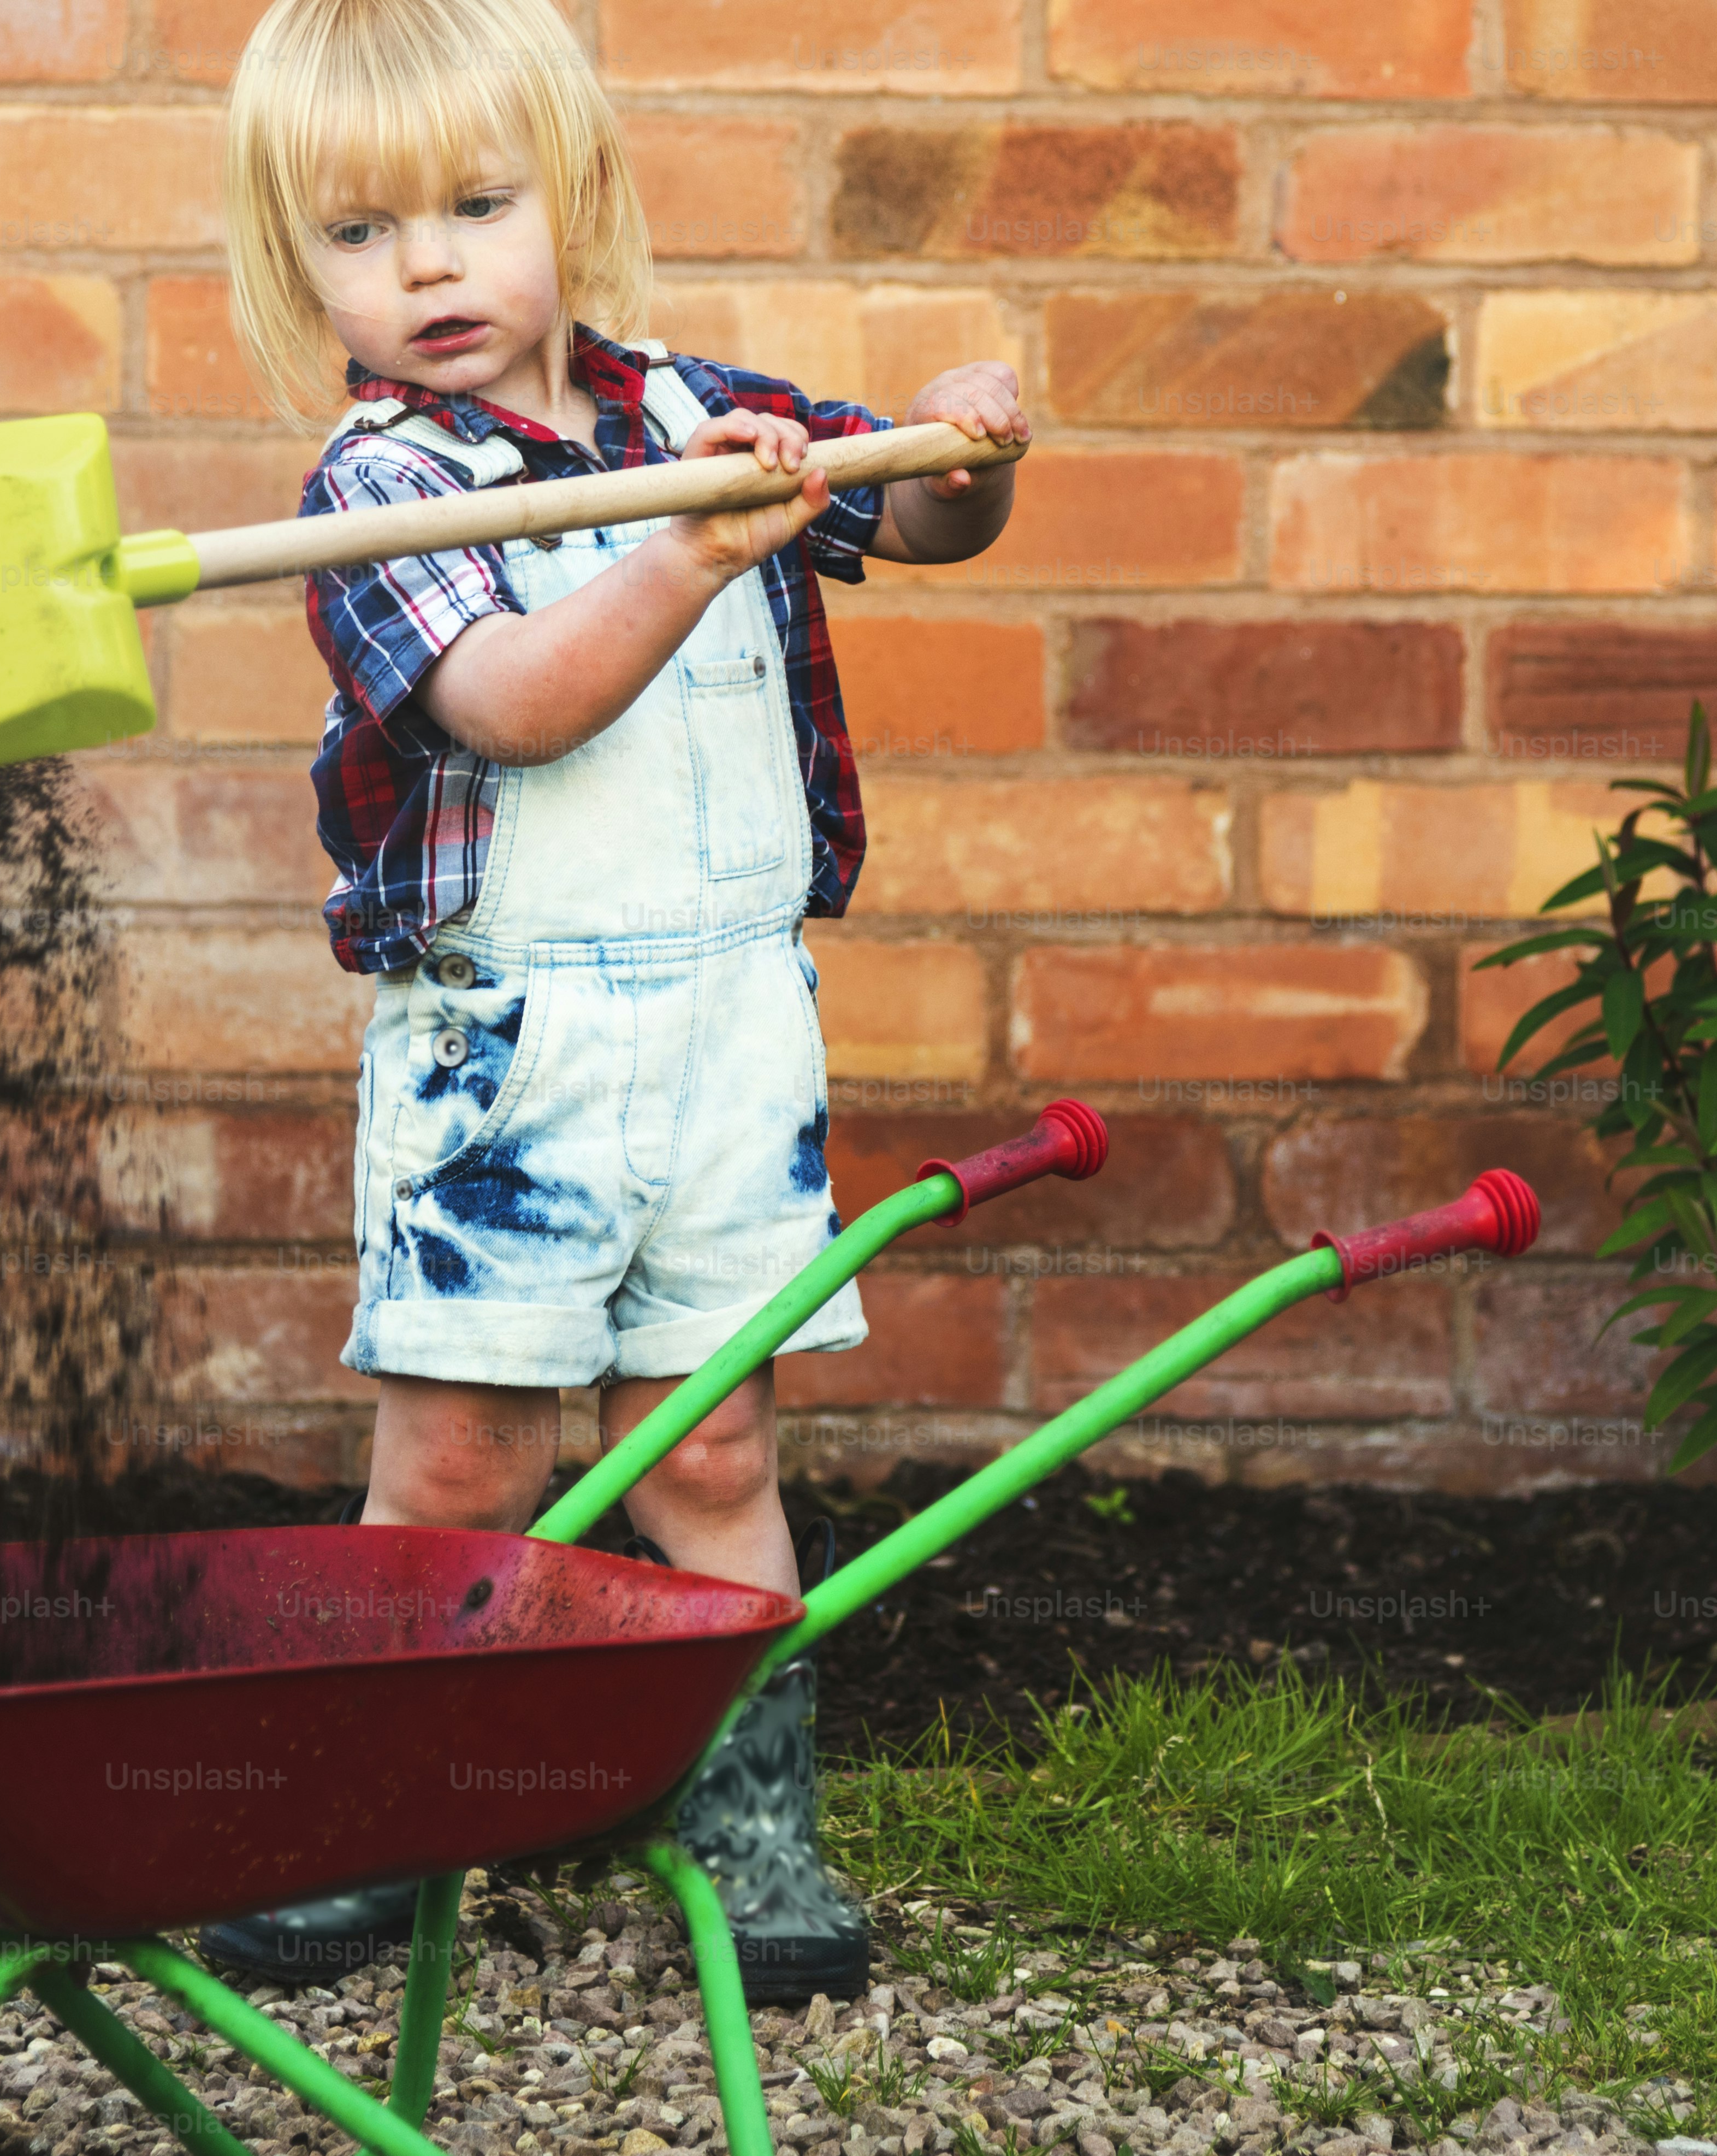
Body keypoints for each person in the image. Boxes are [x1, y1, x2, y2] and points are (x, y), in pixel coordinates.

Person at [197, 0, 1023, 2000]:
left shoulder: (697, 411)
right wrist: (683, 553)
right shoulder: (371, 499)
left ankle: (749, 1827)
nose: (432, 267)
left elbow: (905, 514)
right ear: (295, 268)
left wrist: (967, 444)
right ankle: (362, 1813)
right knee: (462, 1461)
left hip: (733, 1028)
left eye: (478, 207)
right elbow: (519, 704)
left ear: (571, 199)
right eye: (362, 233)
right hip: (517, 1055)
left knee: (712, 1449)